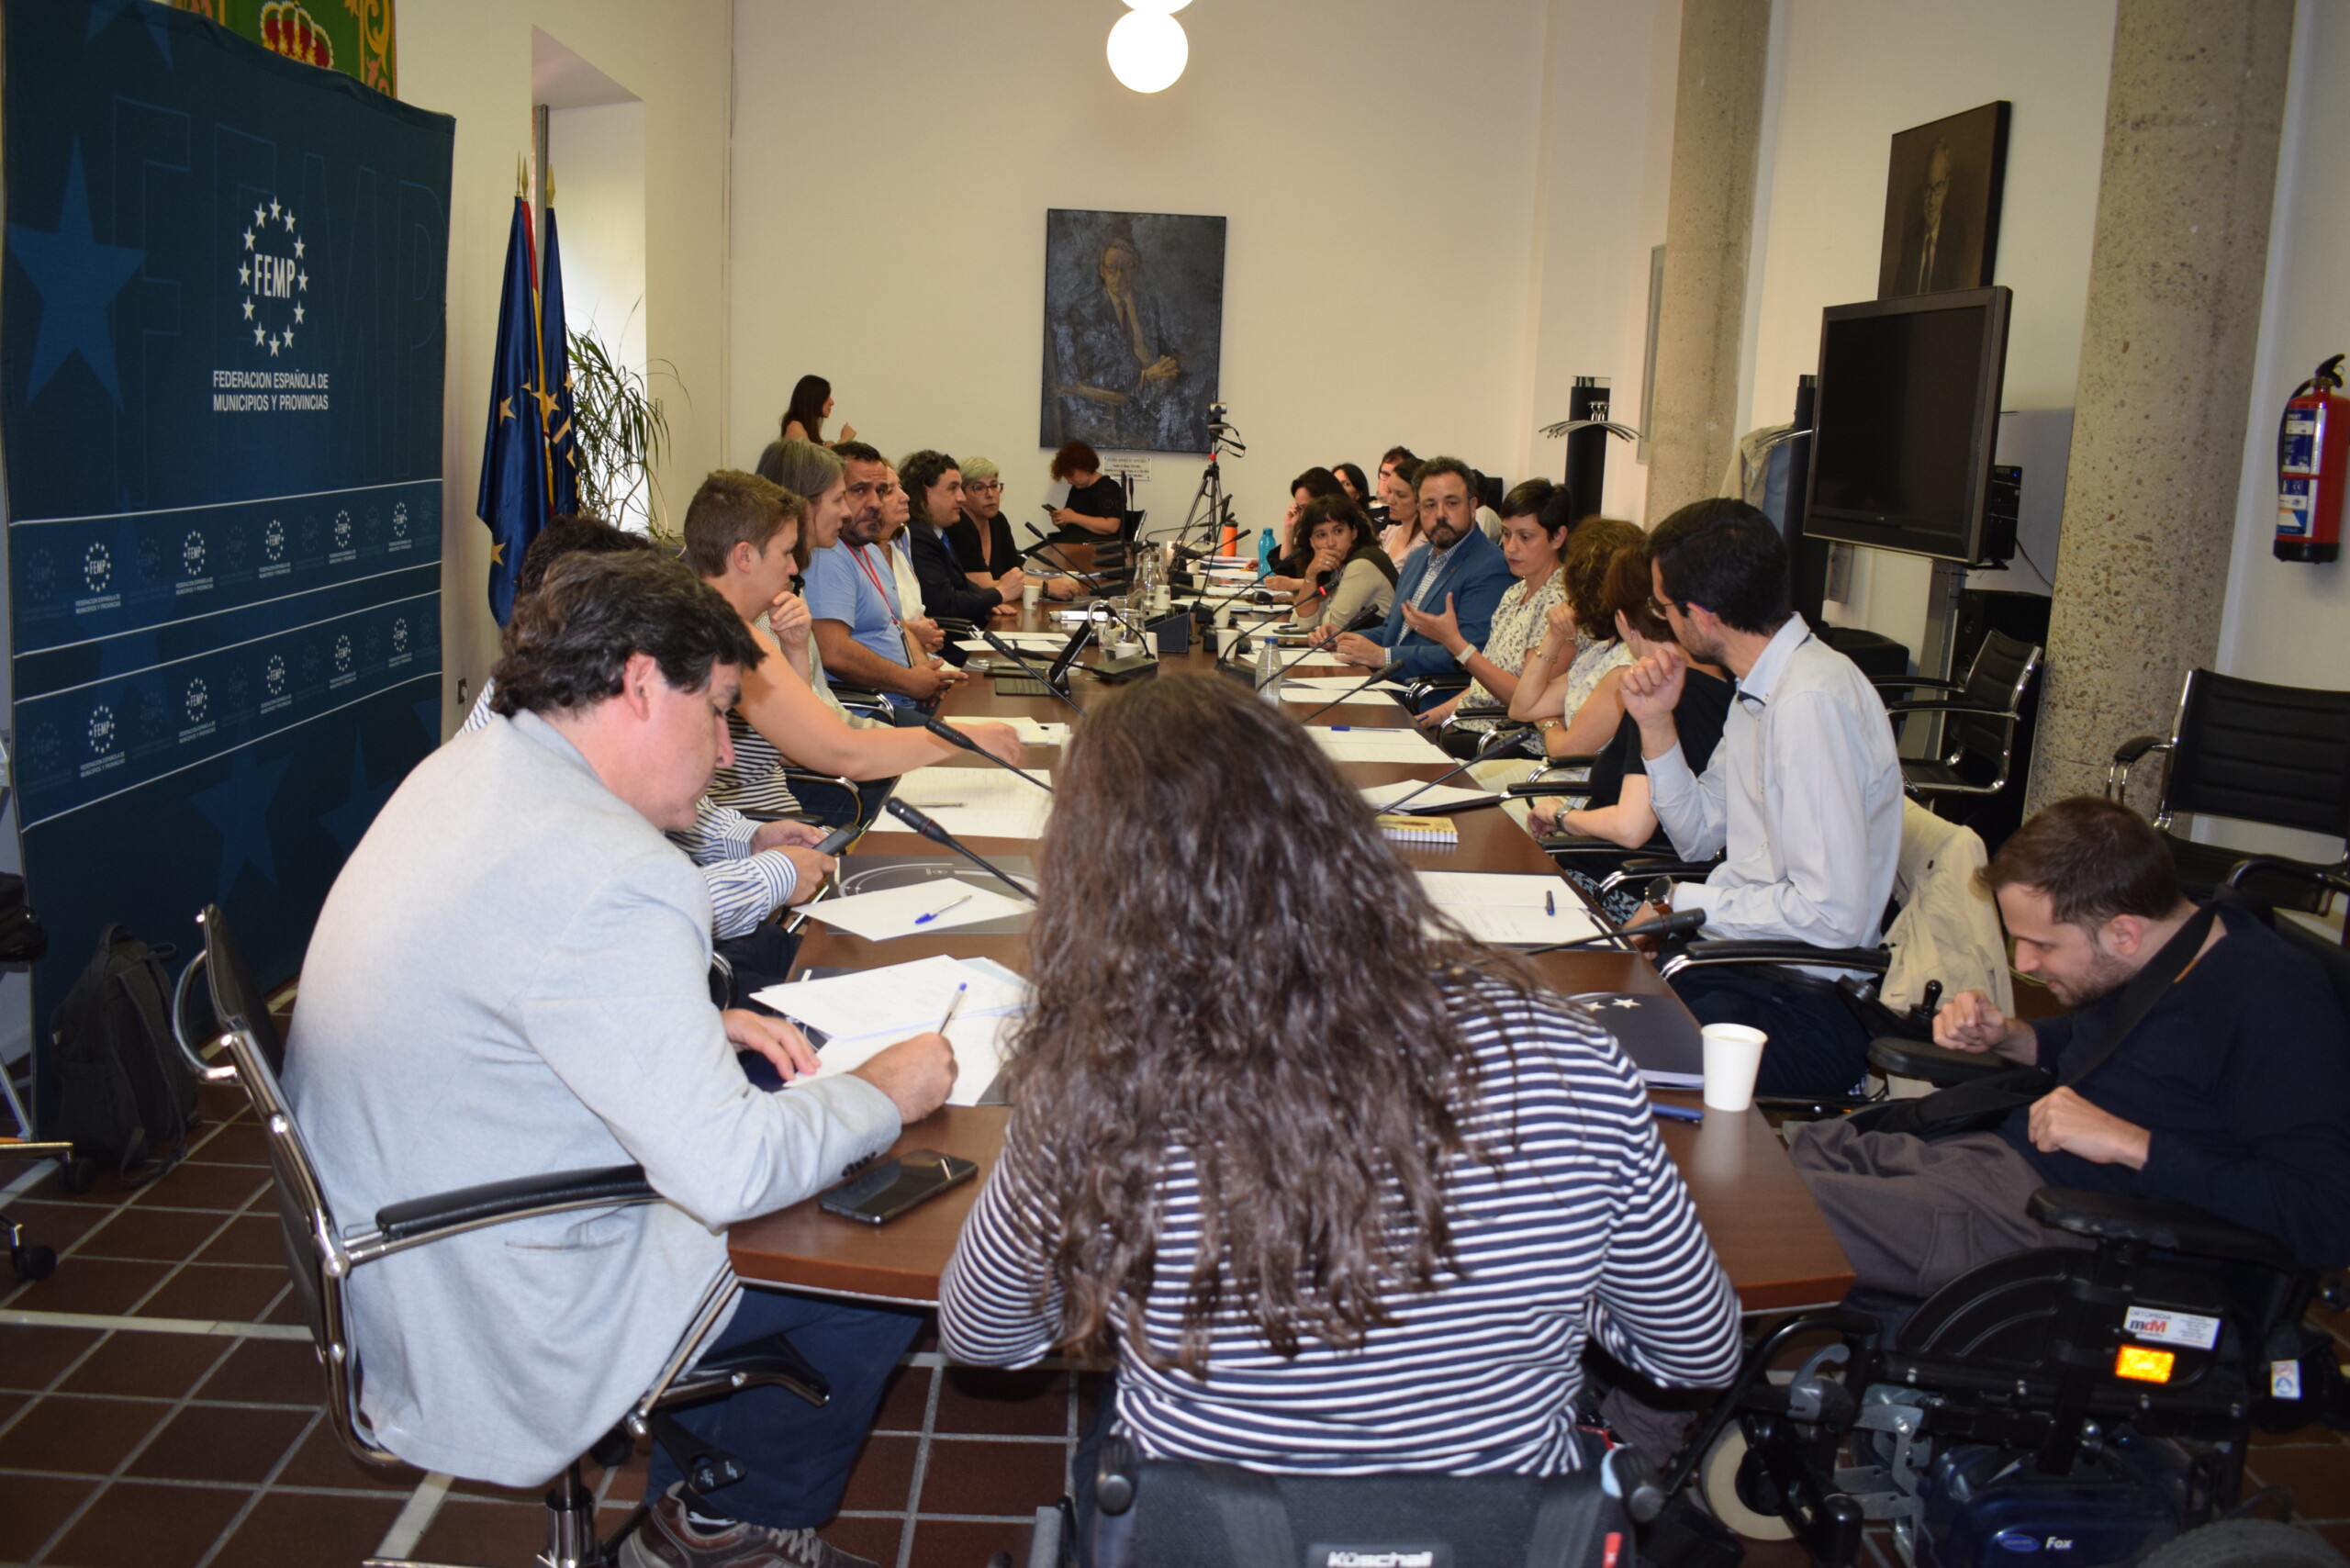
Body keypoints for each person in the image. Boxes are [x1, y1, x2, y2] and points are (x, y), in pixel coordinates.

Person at [287, 551, 956, 1568]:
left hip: (408, 1241)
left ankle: (708, 1487)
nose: (729, 750)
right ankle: (723, 1528)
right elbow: (727, 1170)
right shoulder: (614, 868)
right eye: (720, 710)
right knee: (878, 1232)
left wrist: (693, 1024)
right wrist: (881, 1092)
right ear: (641, 683)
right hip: (507, 1291)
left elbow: (511, 977)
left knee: (778, 1082)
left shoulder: (474, 769)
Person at [936, 675, 1740, 1517]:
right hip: (1497, 1533)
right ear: (1336, 827)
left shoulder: (1097, 1082)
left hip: (1212, 1534)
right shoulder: (1568, 1056)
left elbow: (984, 1335)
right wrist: (1558, 1301)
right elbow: (1696, 1352)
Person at [1791, 796, 2350, 1296]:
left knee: (1761, 1217)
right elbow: (2118, 1046)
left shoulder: (2274, 1005)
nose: (2024, 964)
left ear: (2123, 932)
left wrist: (2129, 1143)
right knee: (1800, 1152)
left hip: (2066, 1224)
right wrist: (2011, 1035)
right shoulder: (2173, 946)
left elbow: (2325, 1218)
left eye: (2041, 945)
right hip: (1992, 1168)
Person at [1617, 498, 1904, 1097]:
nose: (1664, 622)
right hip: (1749, 968)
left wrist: (1681, 903)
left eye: (1664, 607)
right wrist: (1655, 724)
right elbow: (1698, 835)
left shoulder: (1808, 702)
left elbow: (1833, 915)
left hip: (1803, 1007)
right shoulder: (1764, 687)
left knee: (1602, 1060)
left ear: (1702, 615)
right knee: (1589, 1018)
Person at [455, 516, 836, 964]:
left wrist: (750, 839)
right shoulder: (528, 771)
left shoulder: (549, 713)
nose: (722, 751)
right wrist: (773, 874)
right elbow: (639, 910)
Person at [686, 470, 1023, 827]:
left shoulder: (737, 629)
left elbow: (805, 729)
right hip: (759, 828)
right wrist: (963, 737)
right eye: (785, 552)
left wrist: (796, 649)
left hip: (776, 822)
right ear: (744, 557)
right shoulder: (717, 638)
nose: (794, 566)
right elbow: (838, 752)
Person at [1525, 546, 1734, 922]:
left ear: (1623, 621)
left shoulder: (1656, 693)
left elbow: (1630, 827)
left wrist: (1560, 815)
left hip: (1616, 887)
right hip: (1645, 882)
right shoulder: (1728, 691)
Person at [1322, 456, 1516, 706]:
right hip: (1386, 685)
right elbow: (1394, 631)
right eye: (1429, 505)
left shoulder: (1490, 565)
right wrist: (1344, 638)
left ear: (1472, 506)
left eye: (1451, 503)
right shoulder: (1418, 558)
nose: (1440, 515)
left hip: (1426, 698)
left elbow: (1470, 653)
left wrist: (1384, 656)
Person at [1410, 478, 1572, 742]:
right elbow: (1483, 687)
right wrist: (1435, 716)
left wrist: (1458, 645)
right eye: (1507, 534)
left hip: (1512, 737)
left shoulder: (1562, 603)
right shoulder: (1514, 593)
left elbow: (1525, 700)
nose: (1511, 547)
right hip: (1472, 725)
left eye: (1525, 537)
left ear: (1557, 537)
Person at [802, 442, 961, 709]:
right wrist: (910, 682)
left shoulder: (871, 550)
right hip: (873, 711)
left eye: (881, 491)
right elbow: (834, 653)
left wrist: (926, 674)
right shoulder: (828, 556)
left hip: (906, 699)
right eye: (860, 490)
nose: (875, 503)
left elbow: (897, 625)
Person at [1507, 518, 1647, 761]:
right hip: (1551, 781)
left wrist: (1549, 722)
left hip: (1574, 791)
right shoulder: (1601, 651)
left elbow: (1565, 752)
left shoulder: (1625, 667)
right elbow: (1521, 708)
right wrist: (1554, 635)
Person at [898, 448, 1025, 623]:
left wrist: (988, 599)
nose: (961, 498)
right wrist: (999, 593)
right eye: (953, 489)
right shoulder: (917, 535)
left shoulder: (938, 531)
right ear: (925, 493)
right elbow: (943, 604)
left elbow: (961, 585)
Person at [947, 454, 1079, 601]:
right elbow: (982, 585)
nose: (990, 495)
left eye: (994, 486)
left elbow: (1014, 574)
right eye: (979, 488)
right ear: (962, 494)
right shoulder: (957, 526)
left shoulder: (998, 521)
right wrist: (1046, 587)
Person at [1281, 493, 1395, 633]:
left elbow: (1331, 628)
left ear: (1353, 532)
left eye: (1338, 531)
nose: (1331, 543)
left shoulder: (1362, 564)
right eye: (1321, 535)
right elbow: (1305, 622)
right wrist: (1310, 575)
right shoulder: (1335, 566)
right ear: (1312, 541)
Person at [1260, 467, 1350, 595]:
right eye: (1299, 508)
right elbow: (1286, 571)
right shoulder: (1312, 533)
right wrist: (1289, 529)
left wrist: (1292, 584)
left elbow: (1333, 583)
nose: (1303, 515)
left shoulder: (1343, 531)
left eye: (1305, 508)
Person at [1046, 440, 1127, 543]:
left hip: (1094, 549)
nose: (1069, 481)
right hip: (1072, 544)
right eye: (1066, 477)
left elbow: (1112, 526)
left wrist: (1074, 517)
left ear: (1085, 467)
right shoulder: (1077, 488)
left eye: (1071, 475)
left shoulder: (1109, 488)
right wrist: (1062, 521)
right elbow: (1073, 528)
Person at [1376, 445, 1424, 568]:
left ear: (1420, 499)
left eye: (1401, 495)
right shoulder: (1389, 533)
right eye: (1390, 492)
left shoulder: (1425, 543)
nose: (1391, 501)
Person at [779, 373, 853, 446]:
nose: (832, 402)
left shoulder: (808, 428)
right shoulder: (795, 427)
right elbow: (812, 457)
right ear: (813, 399)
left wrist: (829, 447)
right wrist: (843, 440)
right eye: (827, 397)